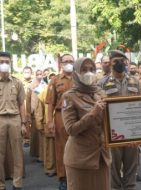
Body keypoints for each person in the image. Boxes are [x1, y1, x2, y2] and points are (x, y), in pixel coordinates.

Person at [61, 57, 111, 190]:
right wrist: (92, 113)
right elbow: (71, 129)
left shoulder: (100, 93)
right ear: (76, 73)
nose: (88, 73)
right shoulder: (69, 96)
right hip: (80, 159)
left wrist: (128, 137)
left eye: (92, 69)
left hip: (101, 157)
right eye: (83, 70)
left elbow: (110, 123)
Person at [98, 50, 141, 190]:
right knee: (113, 167)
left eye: (122, 61)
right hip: (112, 132)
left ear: (126, 63)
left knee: (132, 165)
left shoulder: (135, 82)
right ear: (110, 63)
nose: (119, 64)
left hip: (132, 131)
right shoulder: (102, 83)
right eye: (116, 61)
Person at [46, 53, 74, 190]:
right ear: (61, 64)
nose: (68, 63)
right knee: (61, 147)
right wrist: (50, 121)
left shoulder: (80, 79)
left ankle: (76, 176)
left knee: (78, 146)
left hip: (76, 116)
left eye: (71, 61)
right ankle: (63, 178)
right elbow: (50, 103)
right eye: (66, 61)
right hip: (60, 116)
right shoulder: (55, 80)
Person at [0, 51, 27, 190]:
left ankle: (17, 183)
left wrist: (23, 123)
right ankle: (1, 184)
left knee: (17, 153)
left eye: (6, 62)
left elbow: (22, 103)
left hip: (15, 119)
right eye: (1, 62)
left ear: (10, 63)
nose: (4, 64)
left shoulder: (17, 82)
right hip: (0, 120)